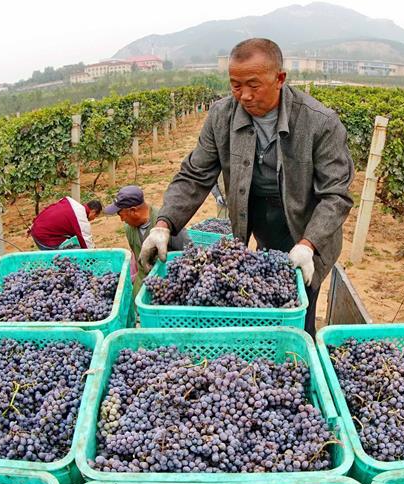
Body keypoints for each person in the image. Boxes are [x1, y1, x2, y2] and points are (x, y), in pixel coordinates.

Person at [139, 38, 355, 337]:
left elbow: (335, 195)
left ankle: (300, 339)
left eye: (254, 85)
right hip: (258, 216)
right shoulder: (221, 116)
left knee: (300, 298)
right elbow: (195, 175)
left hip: (308, 222)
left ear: (280, 79)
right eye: (236, 86)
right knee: (263, 285)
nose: (245, 96)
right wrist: (164, 224)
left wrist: (309, 244)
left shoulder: (319, 122)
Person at [104, 185, 190, 293]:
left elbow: (189, 254)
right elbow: (136, 254)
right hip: (143, 283)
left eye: (121, 215)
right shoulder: (129, 229)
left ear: (133, 211)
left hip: (167, 286)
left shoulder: (167, 224)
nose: (121, 220)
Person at [29, 197, 101, 250]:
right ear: (93, 212)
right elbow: (87, 243)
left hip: (36, 228)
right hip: (44, 237)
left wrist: (34, 222)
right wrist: (94, 258)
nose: (93, 219)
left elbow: (49, 208)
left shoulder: (69, 202)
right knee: (74, 251)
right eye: (95, 216)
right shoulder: (81, 218)